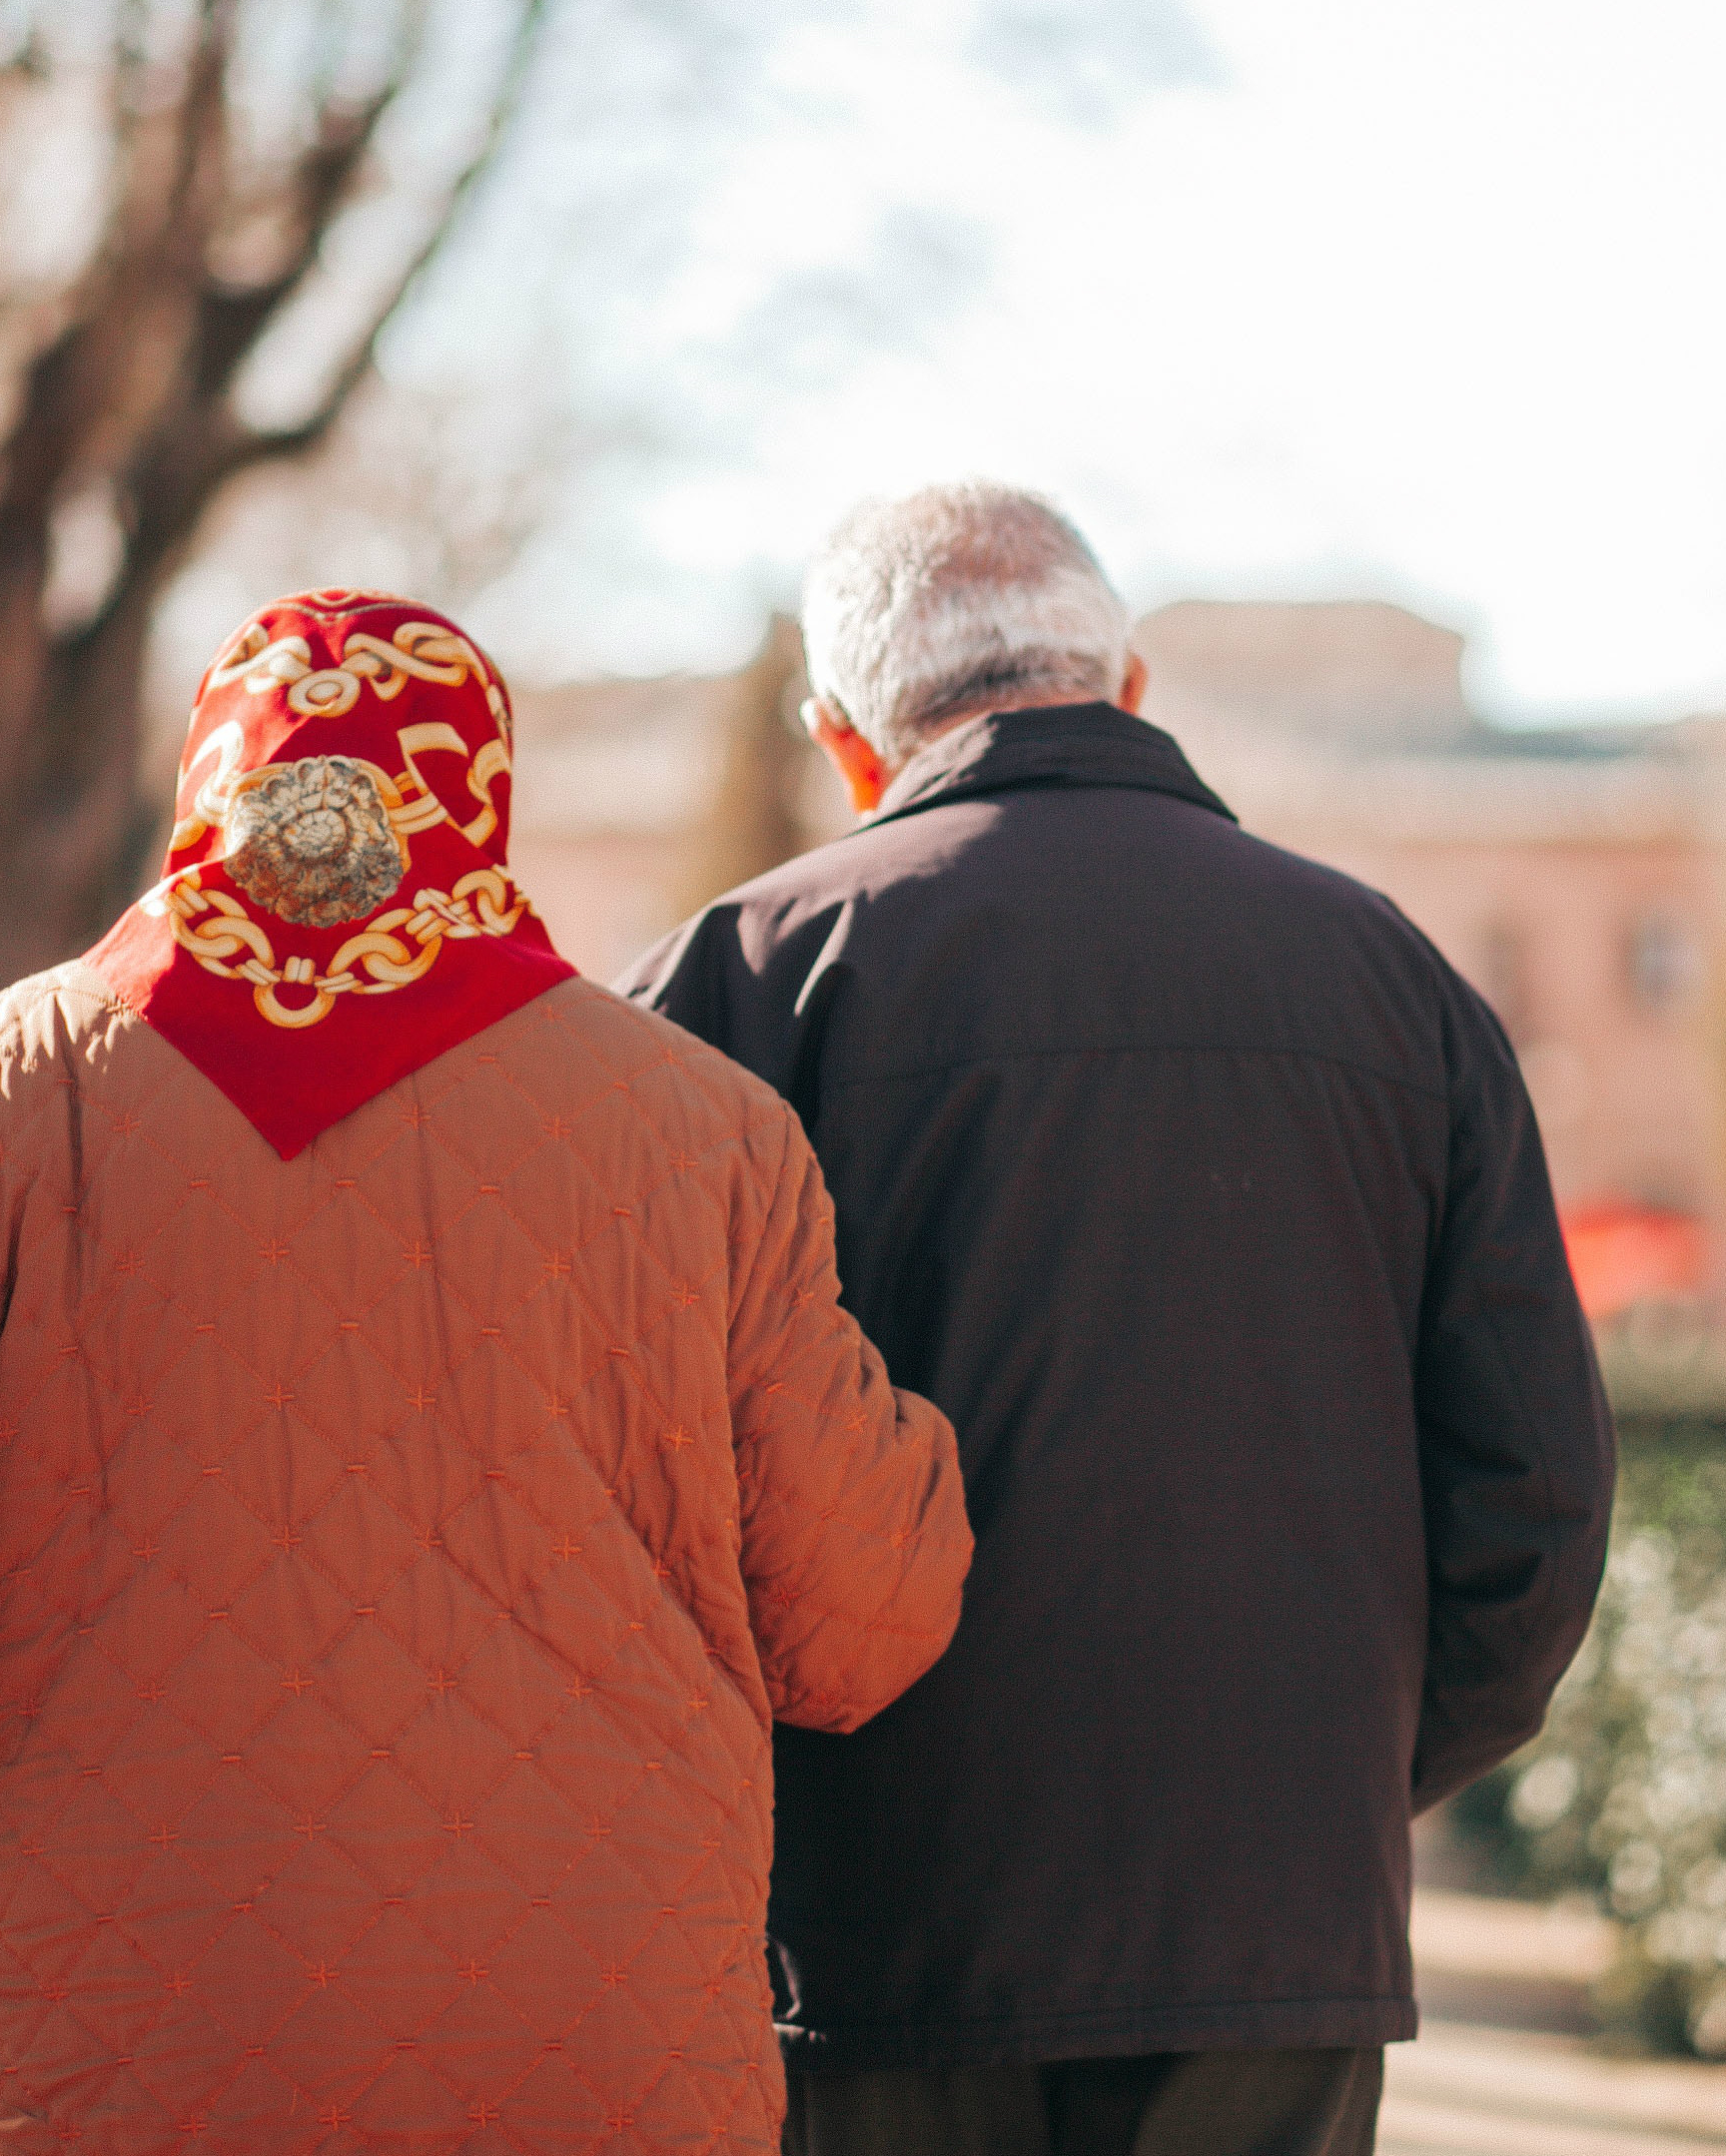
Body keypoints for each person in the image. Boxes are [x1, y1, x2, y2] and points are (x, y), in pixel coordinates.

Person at [0, 589, 972, 2154]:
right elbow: (857, 1620)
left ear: (212, 779)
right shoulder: (706, 1132)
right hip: (595, 2064)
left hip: (108, 2065)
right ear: (473, 799)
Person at [618, 485, 1616, 2156]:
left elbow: (626, 1478)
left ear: (847, 745)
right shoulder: (1396, 979)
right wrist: (1342, 1772)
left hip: (872, 1928)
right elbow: (1536, 1496)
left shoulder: (733, 984)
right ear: (1127, 685)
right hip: (1276, 1918)